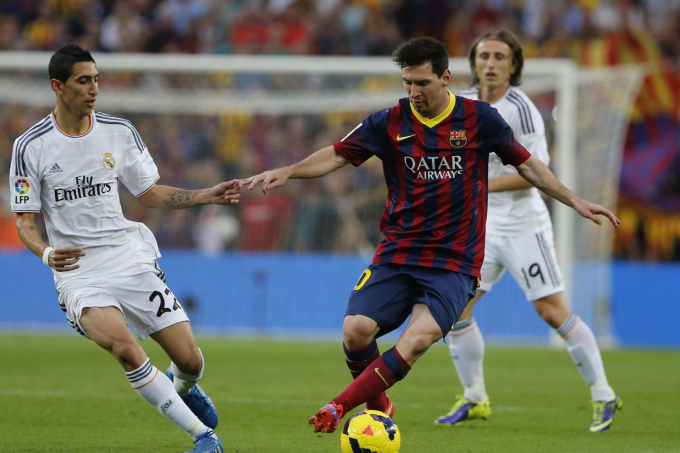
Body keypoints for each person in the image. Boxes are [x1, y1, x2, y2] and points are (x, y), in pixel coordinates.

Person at [245, 37, 620, 434]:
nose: (413, 92)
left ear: (445, 78)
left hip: (454, 260)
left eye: (422, 83)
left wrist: (574, 200)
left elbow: (527, 165)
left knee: (419, 338)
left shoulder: (480, 118)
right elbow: (339, 153)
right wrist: (288, 171)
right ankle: (381, 405)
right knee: (355, 332)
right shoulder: (389, 120)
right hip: (399, 251)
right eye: (407, 83)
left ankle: (339, 406)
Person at [9, 44, 237, 453]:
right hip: (79, 272)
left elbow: (150, 193)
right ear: (57, 87)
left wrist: (207, 195)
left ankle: (185, 386)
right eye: (83, 81)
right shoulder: (31, 146)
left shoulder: (119, 131)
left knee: (189, 360)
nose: (94, 88)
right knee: (126, 350)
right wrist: (46, 253)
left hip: (128, 257)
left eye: (96, 79)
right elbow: (24, 221)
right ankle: (204, 438)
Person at [434, 30, 622, 433]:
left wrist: (476, 183)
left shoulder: (522, 110)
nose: (490, 63)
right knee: (455, 309)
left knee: (552, 311)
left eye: (500, 57)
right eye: (484, 55)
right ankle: (474, 396)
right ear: (473, 61)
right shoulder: (458, 104)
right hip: (479, 227)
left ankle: (604, 394)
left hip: (523, 225)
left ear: (514, 65)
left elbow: (533, 173)